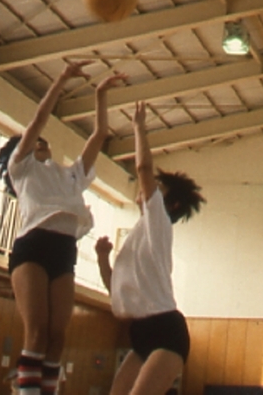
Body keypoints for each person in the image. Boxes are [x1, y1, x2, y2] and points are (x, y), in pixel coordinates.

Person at [0, 62, 125, 395]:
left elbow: (99, 135)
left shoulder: (71, 176)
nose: (42, 142)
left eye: (43, 142)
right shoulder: (23, 169)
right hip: (33, 248)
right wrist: (63, 79)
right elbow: (40, 118)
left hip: (65, 252)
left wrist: (100, 94)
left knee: (57, 337)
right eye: (34, 142)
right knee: (37, 332)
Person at [95, 101, 205, 395]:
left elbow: (144, 167)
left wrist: (139, 128)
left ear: (172, 204)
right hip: (139, 334)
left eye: (157, 190)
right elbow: (115, 291)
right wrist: (102, 258)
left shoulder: (159, 221)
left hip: (167, 332)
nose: (146, 191)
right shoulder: (138, 236)